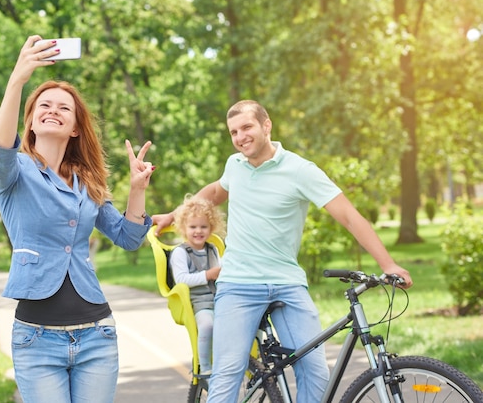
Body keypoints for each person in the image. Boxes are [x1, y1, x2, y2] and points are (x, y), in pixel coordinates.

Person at [153, 100, 413, 403]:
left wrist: (388, 264)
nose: (240, 137)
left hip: (287, 284)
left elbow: (349, 216)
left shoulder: (300, 170)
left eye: (246, 127)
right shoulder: (234, 165)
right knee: (228, 374)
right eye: (234, 132)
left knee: (316, 373)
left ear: (266, 125)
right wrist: (174, 215)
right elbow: (214, 192)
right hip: (238, 284)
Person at [0, 35, 155, 403]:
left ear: (75, 127)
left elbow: (128, 237)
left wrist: (137, 188)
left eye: (64, 108)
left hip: (97, 334)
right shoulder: (13, 171)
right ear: (29, 122)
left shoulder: (87, 181)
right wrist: (18, 78)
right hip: (36, 340)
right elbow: (2, 143)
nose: (53, 110)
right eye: (43, 105)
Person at [169, 195, 226, 375]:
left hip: (219, 298)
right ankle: (205, 368)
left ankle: (229, 363)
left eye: (203, 226)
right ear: (183, 228)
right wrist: (208, 275)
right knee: (208, 325)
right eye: (193, 227)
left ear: (211, 228)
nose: (198, 231)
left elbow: (222, 271)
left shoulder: (213, 249)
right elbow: (181, 280)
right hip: (198, 302)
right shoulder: (180, 252)